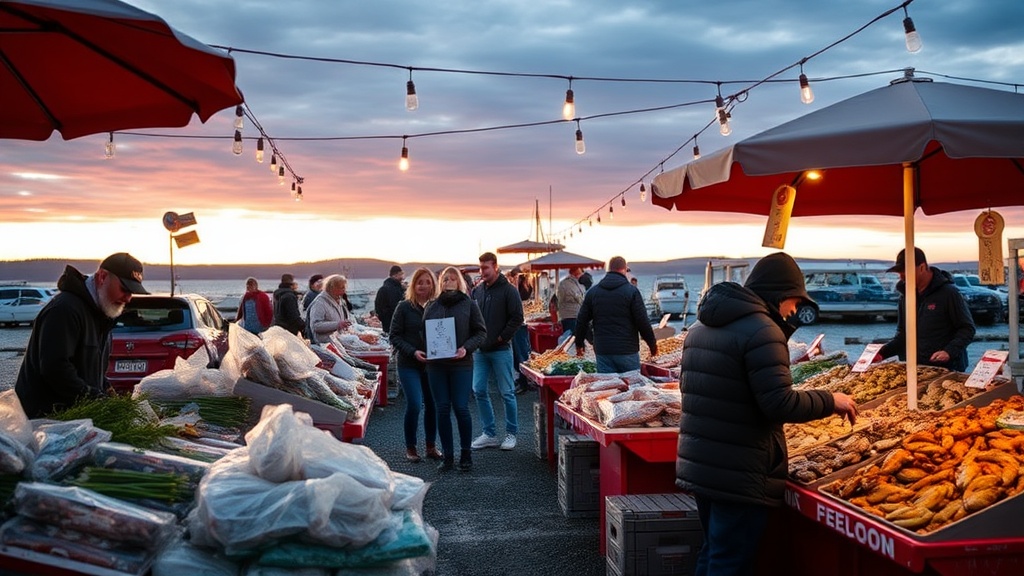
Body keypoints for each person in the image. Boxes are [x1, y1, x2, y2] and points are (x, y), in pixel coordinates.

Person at [675, 251, 858, 576]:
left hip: (703, 464)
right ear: (779, 295)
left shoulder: (701, 327)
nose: (795, 310)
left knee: (712, 553)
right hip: (740, 470)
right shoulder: (762, 331)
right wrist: (831, 400)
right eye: (795, 301)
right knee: (729, 563)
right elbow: (778, 403)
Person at [15, 253, 149, 418]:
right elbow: (55, 369)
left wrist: (109, 394)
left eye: (132, 292)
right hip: (47, 421)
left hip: (76, 418)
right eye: (124, 289)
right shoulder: (65, 310)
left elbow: (92, 374)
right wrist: (97, 400)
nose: (128, 298)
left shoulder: (101, 314)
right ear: (102, 277)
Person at [424, 266, 487, 472]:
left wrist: (465, 348)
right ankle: (448, 456)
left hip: (461, 363)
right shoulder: (431, 305)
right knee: (442, 409)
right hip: (436, 365)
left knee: (460, 407)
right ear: (440, 283)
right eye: (444, 279)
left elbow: (480, 332)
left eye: (452, 278)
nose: (448, 282)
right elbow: (423, 333)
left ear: (458, 281)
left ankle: (466, 454)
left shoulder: (469, 304)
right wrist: (426, 348)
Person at [876, 247, 976, 372]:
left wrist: (948, 351)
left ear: (922, 267)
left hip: (948, 369)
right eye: (899, 273)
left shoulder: (949, 293)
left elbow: (967, 329)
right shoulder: (905, 296)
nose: (902, 278)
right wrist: (882, 353)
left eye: (905, 272)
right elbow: (903, 335)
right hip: (916, 369)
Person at [469, 252, 524, 450]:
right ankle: (489, 433)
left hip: (501, 349)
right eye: (480, 267)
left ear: (495, 267)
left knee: (507, 392)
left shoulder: (509, 291)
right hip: (480, 351)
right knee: (479, 390)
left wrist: (501, 337)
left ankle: (511, 433)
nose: (482, 271)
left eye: (485, 268)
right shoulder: (478, 291)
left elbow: (517, 317)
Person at [390, 267, 443, 463]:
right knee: (414, 404)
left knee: (433, 405)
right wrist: (413, 351)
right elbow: (394, 336)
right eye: (420, 282)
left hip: (433, 364)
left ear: (433, 285)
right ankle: (410, 447)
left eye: (427, 282)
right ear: (414, 285)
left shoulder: (438, 306)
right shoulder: (403, 307)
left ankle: (431, 446)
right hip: (409, 363)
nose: (423, 285)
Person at [574, 256, 657, 373]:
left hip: (603, 351)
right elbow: (642, 322)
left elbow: (581, 321)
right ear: (624, 270)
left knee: (608, 388)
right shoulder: (632, 292)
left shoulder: (593, 292)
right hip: (627, 350)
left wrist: (579, 344)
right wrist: (652, 346)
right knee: (633, 388)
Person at [376, 265, 406, 399]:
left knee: (394, 356)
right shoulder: (394, 289)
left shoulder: (387, 289)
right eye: (401, 274)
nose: (403, 276)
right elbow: (380, 308)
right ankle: (396, 383)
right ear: (396, 274)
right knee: (397, 356)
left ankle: (395, 382)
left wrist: (385, 320)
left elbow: (378, 308)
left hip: (390, 326)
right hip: (396, 326)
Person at [305, 275, 353, 344]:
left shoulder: (339, 300)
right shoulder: (319, 303)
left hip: (337, 342)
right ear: (332, 288)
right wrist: (337, 324)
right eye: (341, 287)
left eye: (344, 287)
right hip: (324, 344)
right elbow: (316, 326)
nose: (344, 289)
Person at [511, 269, 533, 394]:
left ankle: (523, 381)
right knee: (521, 353)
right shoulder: (524, 287)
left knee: (520, 354)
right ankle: (523, 380)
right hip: (519, 325)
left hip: (519, 326)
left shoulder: (519, 289)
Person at [556, 266, 586, 336]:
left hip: (574, 316)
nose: (582, 274)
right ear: (576, 272)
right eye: (581, 272)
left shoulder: (578, 283)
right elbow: (578, 299)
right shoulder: (567, 284)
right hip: (570, 316)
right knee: (571, 339)